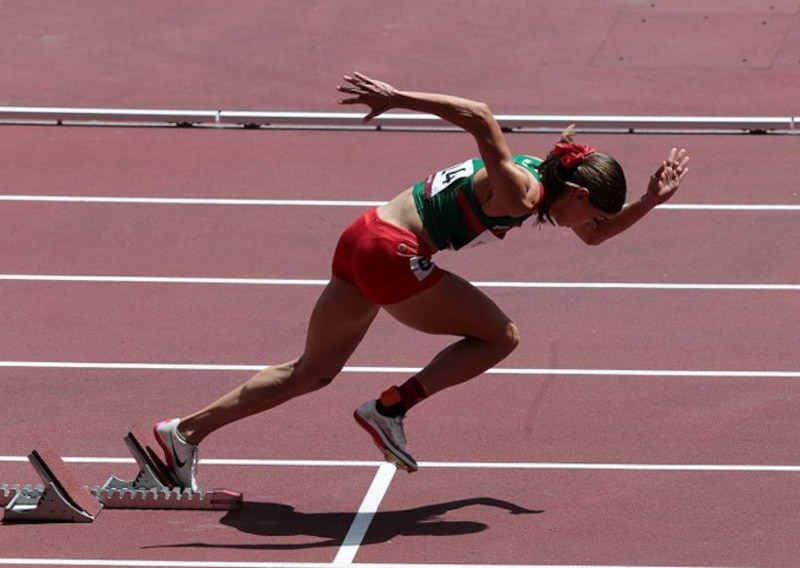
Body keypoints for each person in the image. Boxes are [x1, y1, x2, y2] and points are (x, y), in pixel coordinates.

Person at [154, 72, 690, 489]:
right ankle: (389, 407)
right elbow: (480, 117)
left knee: (311, 372)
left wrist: (648, 202)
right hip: (393, 254)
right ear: (576, 193)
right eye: (592, 211)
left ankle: (183, 434)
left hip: (362, 235)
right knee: (500, 337)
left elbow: (595, 236)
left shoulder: (540, 177)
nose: (589, 223)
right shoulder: (522, 191)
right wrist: (396, 97)